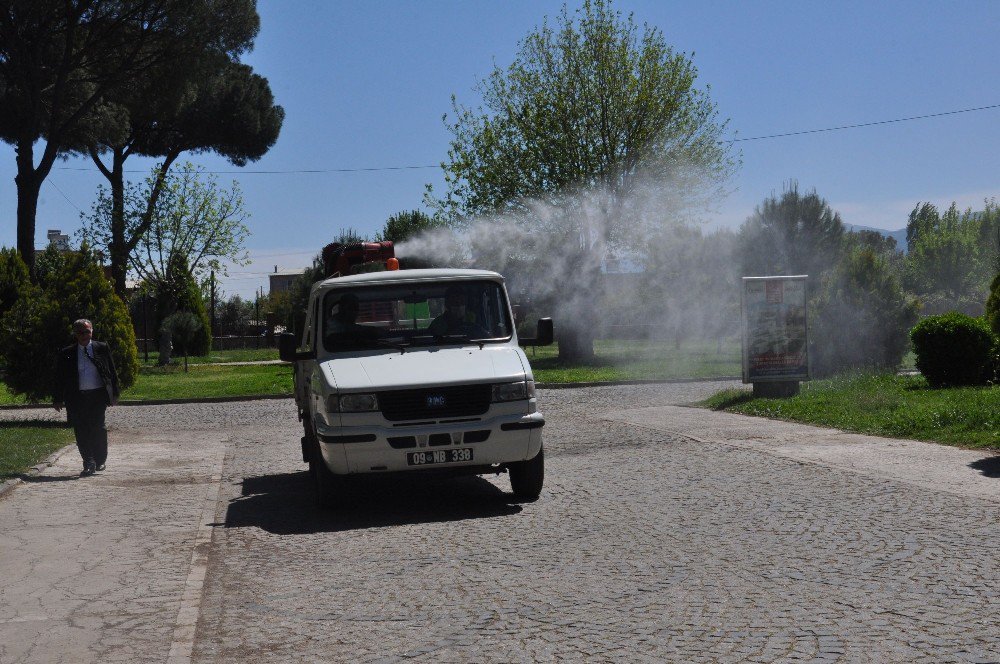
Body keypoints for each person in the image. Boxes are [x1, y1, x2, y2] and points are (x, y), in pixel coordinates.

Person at [53, 319, 120, 477]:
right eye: (81, 332)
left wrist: (114, 394)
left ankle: (100, 458)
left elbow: (112, 371)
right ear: (75, 334)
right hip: (76, 397)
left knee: (98, 427)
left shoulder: (101, 348)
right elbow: (60, 377)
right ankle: (88, 462)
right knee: (81, 430)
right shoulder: (67, 353)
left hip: (97, 395)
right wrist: (57, 398)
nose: (84, 335)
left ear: (92, 331)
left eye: (87, 331)